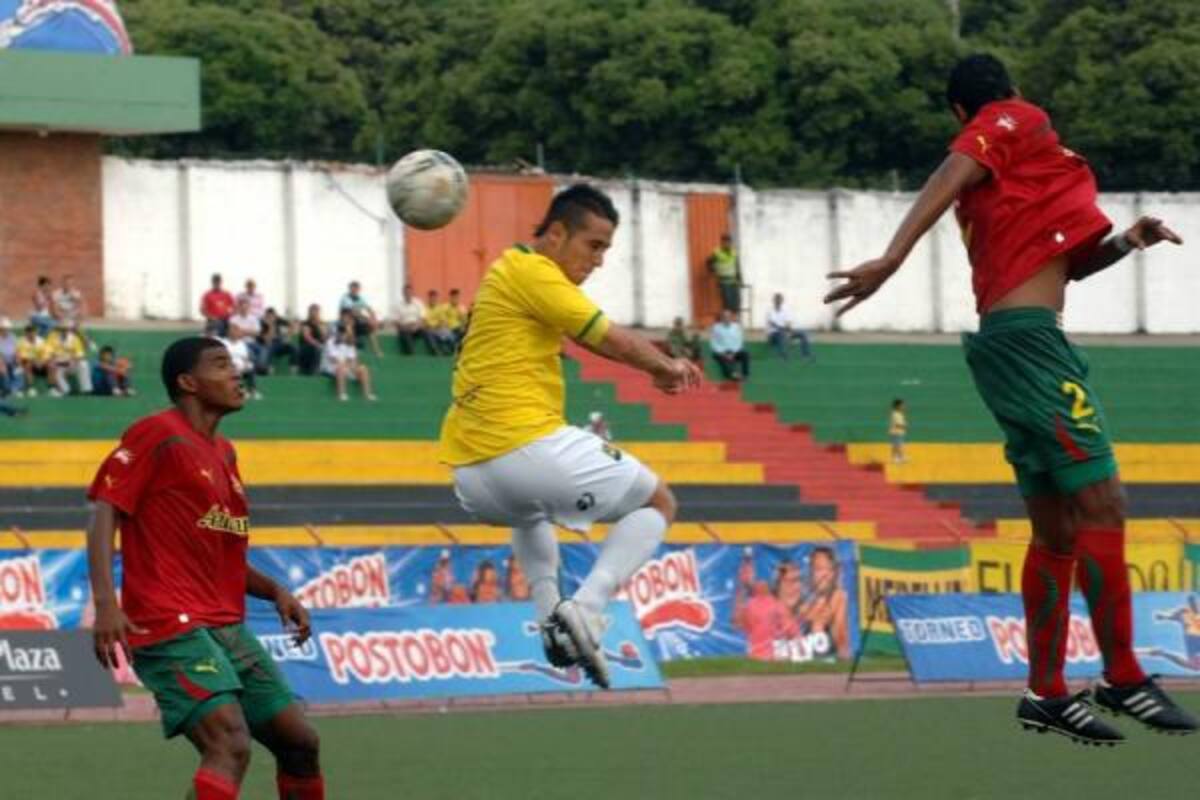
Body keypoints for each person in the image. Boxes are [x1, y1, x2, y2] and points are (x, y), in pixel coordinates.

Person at [823, 53, 1196, 743]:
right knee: (1105, 501)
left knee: (1057, 528)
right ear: (991, 107)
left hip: (1012, 344)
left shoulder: (1010, 190)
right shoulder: (1016, 121)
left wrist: (1125, 240)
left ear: (957, 109)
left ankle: (1046, 691)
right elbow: (952, 168)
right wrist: (893, 257)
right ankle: (1121, 675)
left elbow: (1070, 264)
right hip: (1031, 346)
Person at [439, 183, 702, 689]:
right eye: (594, 245)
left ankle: (552, 621)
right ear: (556, 234)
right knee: (659, 502)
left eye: (606, 249)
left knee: (530, 513)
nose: (599, 260)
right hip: (527, 447)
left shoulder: (507, 274)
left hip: (472, 476)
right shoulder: (532, 270)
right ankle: (587, 608)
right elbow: (601, 334)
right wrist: (663, 367)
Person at [86, 337, 324, 800]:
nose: (236, 373)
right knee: (229, 744)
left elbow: (222, 555)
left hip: (225, 625)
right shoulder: (158, 433)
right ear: (187, 383)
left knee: (300, 743)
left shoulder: (225, 454)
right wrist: (105, 603)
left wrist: (275, 590)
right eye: (221, 365)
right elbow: (103, 511)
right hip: (168, 621)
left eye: (234, 364)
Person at [798, 547, 850, 659]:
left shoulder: (838, 596)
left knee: (818, 624)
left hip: (824, 653)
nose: (824, 574)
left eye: (829, 569)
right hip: (802, 654)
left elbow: (841, 635)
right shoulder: (806, 595)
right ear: (811, 572)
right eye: (819, 569)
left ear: (834, 573)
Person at [320, 329, 377, 402]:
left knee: (363, 368)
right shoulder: (330, 342)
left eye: (346, 334)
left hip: (346, 367)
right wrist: (345, 366)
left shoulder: (350, 343)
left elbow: (352, 360)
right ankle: (342, 394)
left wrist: (352, 367)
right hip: (330, 367)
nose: (344, 336)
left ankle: (367, 394)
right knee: (341, 368)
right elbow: (333, 359)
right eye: (343, 334)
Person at [46, 321, 92, 396]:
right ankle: (66, 390)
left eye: (66, 329)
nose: (64, 331)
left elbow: (80, 354)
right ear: (59, 329)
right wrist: (51, 361)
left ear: (68, 330)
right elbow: (48, 351)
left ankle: (86, 390)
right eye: (62, 329)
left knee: (83, 364)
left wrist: (74, 361)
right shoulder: (52, 338)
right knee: (55, 370)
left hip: (72, 363)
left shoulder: (74, 339)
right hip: (58, 364)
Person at [338, 280, 383, 357]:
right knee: (349, 325)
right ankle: (352, 351)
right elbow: (352, 312)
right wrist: (367, 318)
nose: (355, 290)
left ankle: (377, 351)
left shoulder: (360, 298)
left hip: (356, 320)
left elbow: (369, 309)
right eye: (353, 288)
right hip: (345, 321)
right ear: (350, 288)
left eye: (357, 288)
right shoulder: (345, 298)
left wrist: (374, 319)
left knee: (370, 330)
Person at [765, 293, 813, 360]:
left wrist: (789, 332)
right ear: (774, 301)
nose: (778, 301)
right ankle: (783, 355)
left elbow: (788, 323)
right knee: (780, 334)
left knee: (803, 334)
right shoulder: (769, 311)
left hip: (785, 331)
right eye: (777, 300)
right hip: (773, 334)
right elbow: (772, 324)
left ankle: (805, 354)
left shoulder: (785, 310)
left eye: (779, 300)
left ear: (782, 301)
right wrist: (785, 331)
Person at [709, 309, 750, 382]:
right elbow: (714, 343)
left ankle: (745, 374)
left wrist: (733, 353)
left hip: (734, 351)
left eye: (728, 316)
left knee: (745, 355)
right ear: (721, 318)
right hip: (721, 352)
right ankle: (732, 375)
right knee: (723, 361)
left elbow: (740, 341)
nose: (726, 318)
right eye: (724, 317)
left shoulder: (736, 327)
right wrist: (724, 354)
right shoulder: (716, 327)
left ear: (731, 318)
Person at [222, 326, 261, 400]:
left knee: (250, 367)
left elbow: (246, 357)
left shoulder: (242, 344)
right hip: (228, 365)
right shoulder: (224, 342)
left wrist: (245, 365)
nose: (235, 333)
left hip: (241, 365)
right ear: (229, 333)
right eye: (233, 331)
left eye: (237, 332)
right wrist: (231, 365)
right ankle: (241, 391)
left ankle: (253, 391)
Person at [706, 232, 741, 314]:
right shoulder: (717, 253)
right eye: (725, 242)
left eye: (728, 242)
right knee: (727, 303)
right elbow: (708, 262)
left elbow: (737, 267)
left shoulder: (734, 253)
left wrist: (740, 280)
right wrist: (713, 271)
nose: (727, 244)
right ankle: (727, 322)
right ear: (722, 242)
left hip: (734, 282)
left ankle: (734, 323)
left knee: (736, 304)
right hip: (723, 282)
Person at [392, 283, 428, 355]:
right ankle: (411, 354)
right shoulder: (397, 305)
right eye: (406, 292)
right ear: (403, 293)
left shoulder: (418, 303)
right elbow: (395, 321)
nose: (408, 294)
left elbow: (423, 318)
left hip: (416, 327)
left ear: (412, 293)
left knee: (428, 332)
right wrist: (404, 326)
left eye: (409, 292)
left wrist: (416, 326)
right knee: (405, 334)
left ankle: (436, 353)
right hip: (404, 327)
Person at [15, 324, 51, 397]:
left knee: (51, 366)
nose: (31, 333)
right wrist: (34, 361)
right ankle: (31, 388)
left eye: (32, 331)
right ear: (26, 333)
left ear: (35, 332)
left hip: (40, 363)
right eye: (29, 331)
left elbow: (46, 353)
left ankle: (51, 388)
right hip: (26, 363)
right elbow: (21, 355)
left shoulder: (41, 341)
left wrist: (42, 361)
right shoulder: (21, 341)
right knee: (28, 365)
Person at [259, 308, 297, 374]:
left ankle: (293, 370)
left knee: (293, 348)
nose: (271, 318)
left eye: (273, 316)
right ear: (266, 316)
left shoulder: (279, 320)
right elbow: (267, 340)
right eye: (269, 316)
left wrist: (288, 336)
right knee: (269, 348)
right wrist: (271, 325)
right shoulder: (262, 324)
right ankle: (270, 371)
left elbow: (292, 326)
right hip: (271, 345)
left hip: (281, 344)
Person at [297, 304, 327, 376]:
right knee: (316, 348)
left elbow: (324, 338)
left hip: (318, 347)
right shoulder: (305, 323)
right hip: (306, 347)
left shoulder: (321, 324)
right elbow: (307, 337)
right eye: (313, 311)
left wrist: (319, 327)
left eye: (317, 311)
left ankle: (325, 370)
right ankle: (314, 370)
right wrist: (318, 344)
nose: (315, 313)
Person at [423, 289, 455, 356]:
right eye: (431, 298)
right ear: (429, 298)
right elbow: (425, 321)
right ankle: (436, 351)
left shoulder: (440, 308)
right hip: (430, 329)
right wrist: (432, 326)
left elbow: (443, 321)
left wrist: (440, 326)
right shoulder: (425, 308)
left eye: (434, 298)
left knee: (448, 333)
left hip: (439, 328)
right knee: (429, 332)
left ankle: (452, 350)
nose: (433, 300)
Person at [0, 318, 22, 398]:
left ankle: (14, 389)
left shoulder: (13, 337)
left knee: (18, 370)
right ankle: (6, 389)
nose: (6, 330)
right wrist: (1, 363)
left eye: (7, 329)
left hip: (12, 360)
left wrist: (18, 359)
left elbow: (17, 350)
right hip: (1, 361)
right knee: (3, 370)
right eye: (4, 329)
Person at [889, 399, 908, 464]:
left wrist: (903, 425)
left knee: (899, 445)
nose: (904, 407)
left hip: (900, 432)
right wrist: (903, 426)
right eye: (902, 405)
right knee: (897, 446)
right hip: (896, 433)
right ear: (897, 406)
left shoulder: (900, 413)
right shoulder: (895, 414)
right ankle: (895, 458)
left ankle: (901, 457)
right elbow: (897, 424)